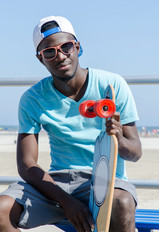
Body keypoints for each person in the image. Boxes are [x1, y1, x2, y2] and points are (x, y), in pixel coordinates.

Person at [0, 16, 142, 232]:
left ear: (78, 47)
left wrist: (119, 138)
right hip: (56, 184)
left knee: (122, 203)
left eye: (66, 47)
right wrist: (66, 201)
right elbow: (27, 164)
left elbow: (135, 153)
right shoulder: (33, 98)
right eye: (50, 52)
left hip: (104, 181)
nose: (60, 56)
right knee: (1, 209)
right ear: (41, 59)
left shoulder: (112, 84)